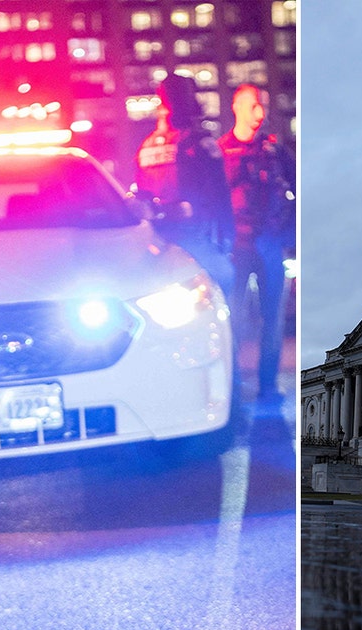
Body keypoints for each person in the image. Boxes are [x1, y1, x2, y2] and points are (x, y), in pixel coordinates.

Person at [217, 84, 295, 406]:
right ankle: (231, 386)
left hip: (269, 244)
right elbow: (212, 200)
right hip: (236, 245)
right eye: (253, 106)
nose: (260, 113)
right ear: (237, 107)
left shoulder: (276, 152)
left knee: (272, 320)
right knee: (230, 318)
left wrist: (289, 236)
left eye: (262, 106)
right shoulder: (220, 151)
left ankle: (267, 385)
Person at [133, 73, 234, 295]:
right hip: (194, 237)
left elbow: (140, 197)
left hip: (155, 240)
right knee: (226, 277)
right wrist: (228, 239)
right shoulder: (201, 143)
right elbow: (220, 197)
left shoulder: (146, 146)